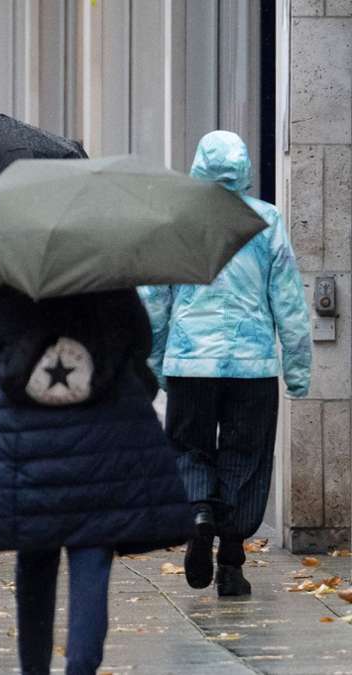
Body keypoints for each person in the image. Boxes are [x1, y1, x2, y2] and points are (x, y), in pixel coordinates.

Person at [0, 285, 191, 675]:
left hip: (29, 444)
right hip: (101, 441)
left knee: (34, 563)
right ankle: (82, 667)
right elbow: (140, 340)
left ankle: (34, 668)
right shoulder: (111, 280)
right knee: (93, 556)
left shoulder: (21, 281)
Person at [140, 130, 312, 597]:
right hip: (251, 366)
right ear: (245, 170)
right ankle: (232, 563)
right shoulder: (265, 221)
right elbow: (289, 302)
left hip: (191, 362)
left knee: (188, 448)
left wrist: (156, 362)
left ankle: (198, 512)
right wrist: (297, 369)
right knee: (247, 457)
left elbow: (154, 299)